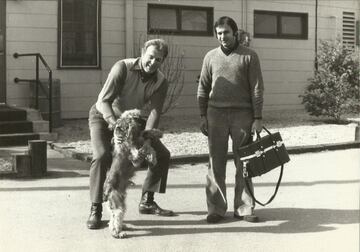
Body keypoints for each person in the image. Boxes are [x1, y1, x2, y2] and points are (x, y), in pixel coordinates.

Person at [87, 38, 175, 230]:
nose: (153, 63)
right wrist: (115, 125)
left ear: (162, 61)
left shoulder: (160, 81)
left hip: (132, 121)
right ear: (143, 53)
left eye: (158, 60)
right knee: (102, 156)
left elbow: (154, 112)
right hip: (104, 116)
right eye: (151, 57)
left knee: (161, 155)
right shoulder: (122, 68)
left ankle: (147, 200)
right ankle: (96, 208)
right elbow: (103, 101)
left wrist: (148, 141)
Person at [197, 16, 264, 223]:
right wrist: (202, 115)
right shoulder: (210, 57)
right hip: (215, 114)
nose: (222, 37)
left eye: (226, 32)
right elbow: (203, 87)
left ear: (235, 33)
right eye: (218, 33)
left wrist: (257, 117)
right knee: (215, 162)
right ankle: (216, 208)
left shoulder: (249, 56)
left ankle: (244, 207)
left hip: (242, 115)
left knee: (244, 162)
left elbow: (257, 88)